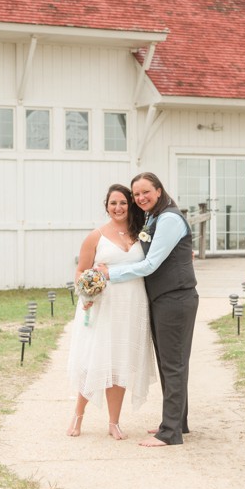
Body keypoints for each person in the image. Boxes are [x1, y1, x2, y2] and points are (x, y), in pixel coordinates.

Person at [96, 173, 198, 447]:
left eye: (145, 192)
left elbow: (151, 264)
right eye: (136, 194)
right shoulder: (153, 217)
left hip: (175, 298)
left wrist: (111, 274)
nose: (140, 198)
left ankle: (170, 433)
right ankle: (178, 421)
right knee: (170, 363)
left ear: (159, 190)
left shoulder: (169, 219)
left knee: (173, 364)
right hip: (163, 298)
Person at [65, 184, 156, 440]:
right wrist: (87, 293)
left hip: (133, 305)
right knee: (94, 359)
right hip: (104, 306)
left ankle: (114, 422)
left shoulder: (141, 235)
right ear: (107, 205)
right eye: (113, 203)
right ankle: (78, 414)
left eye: (123, 203)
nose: (118, 208)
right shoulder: (96, 237)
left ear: (131, 205)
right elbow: (81, 271)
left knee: (121, 361)